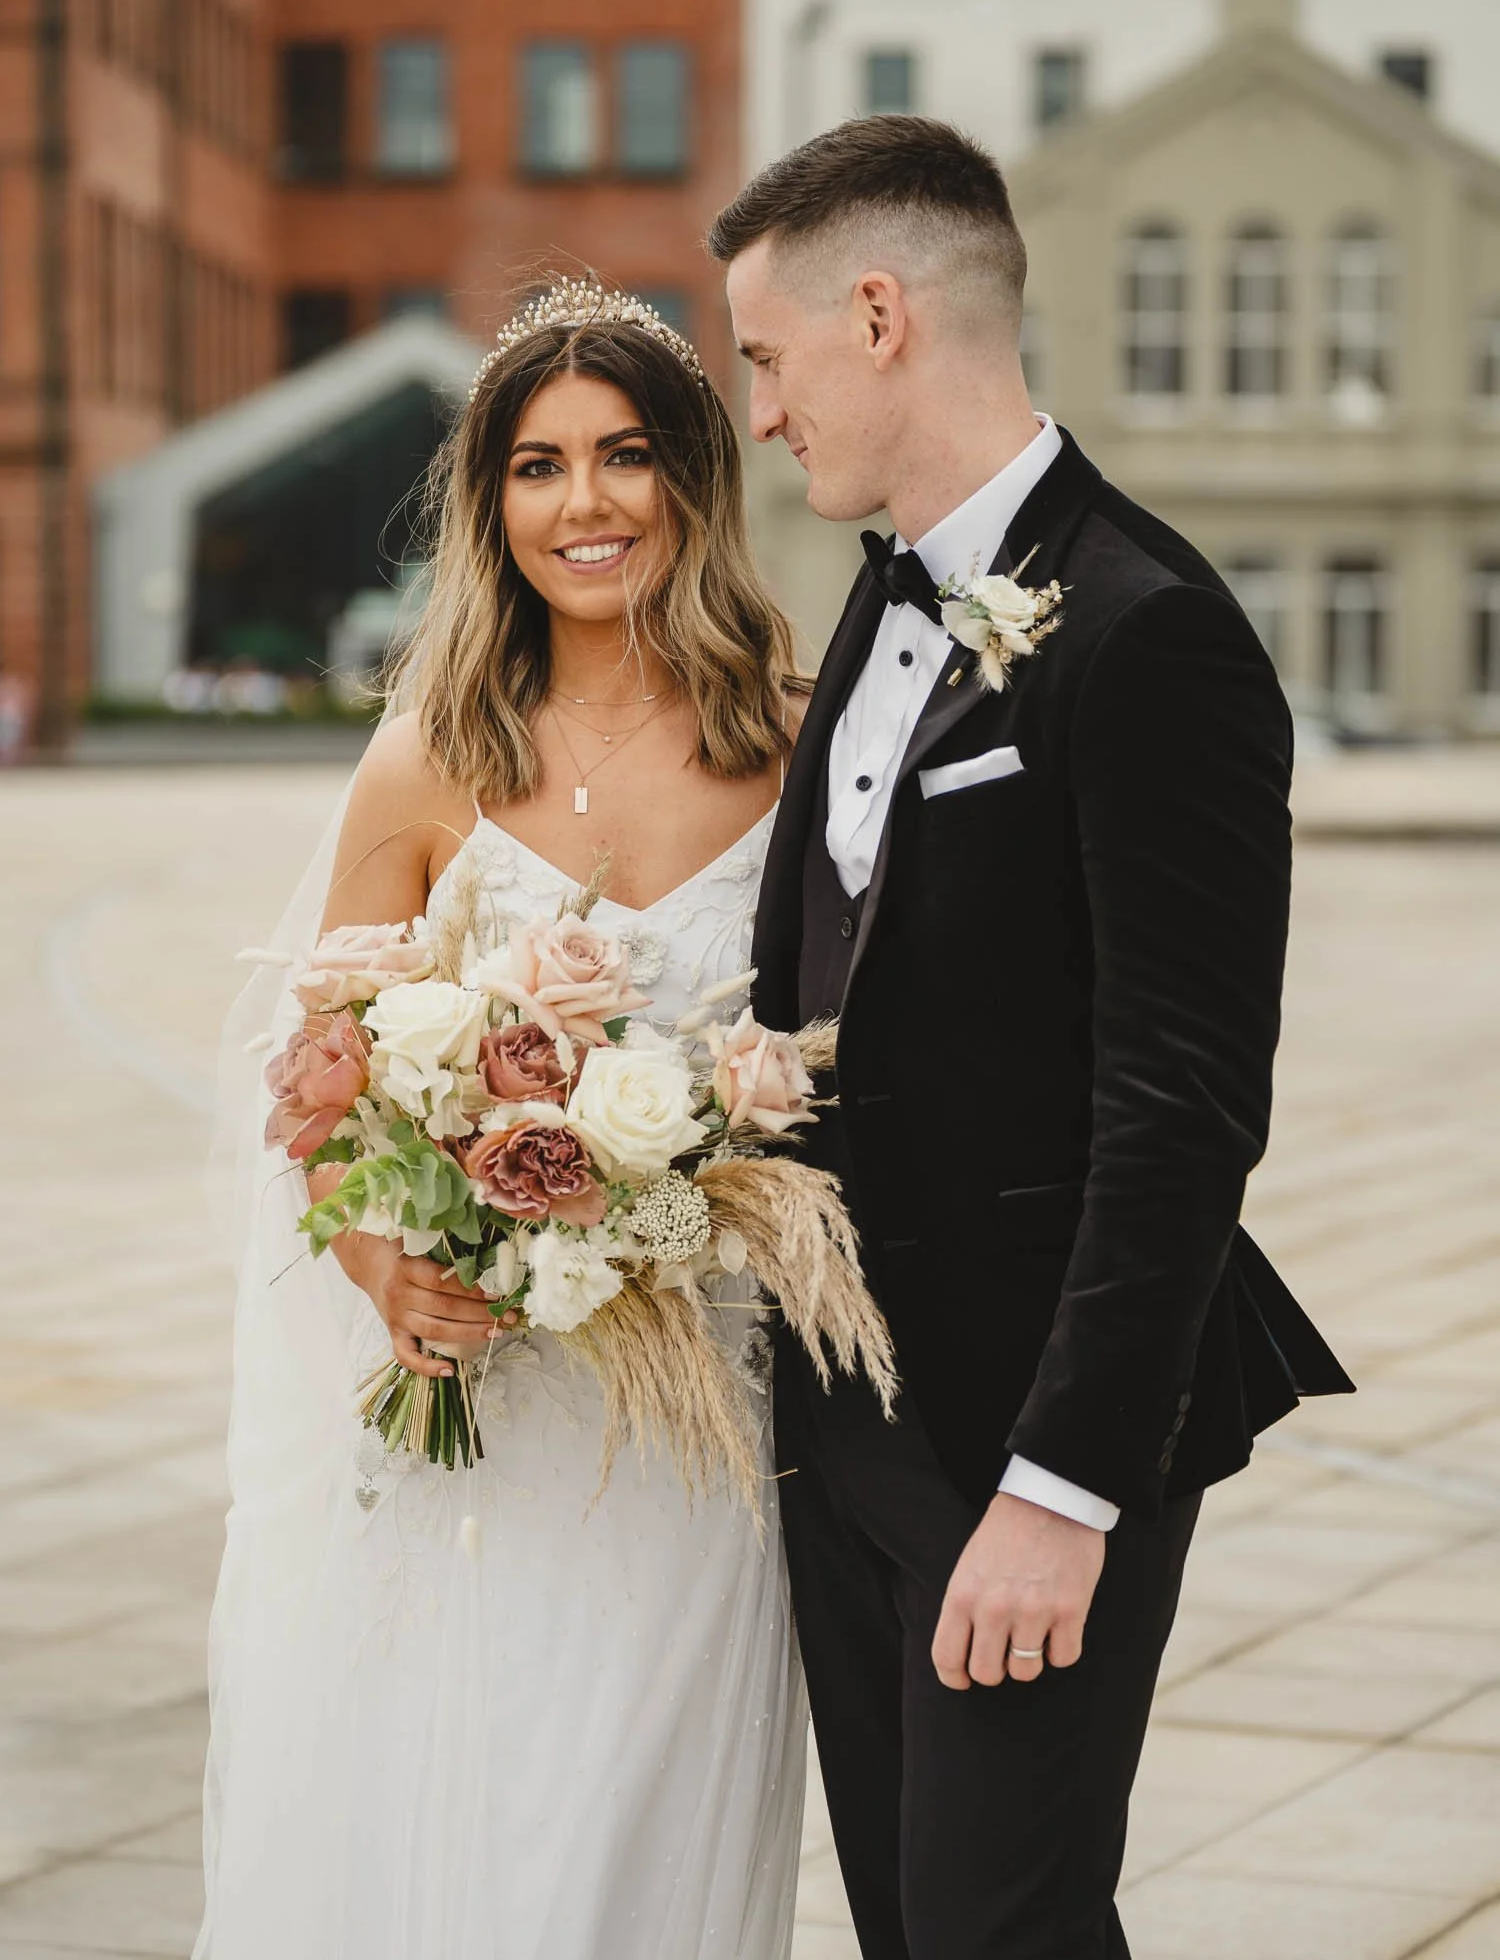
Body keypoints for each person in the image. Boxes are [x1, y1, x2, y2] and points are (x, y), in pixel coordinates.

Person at [710, 116, 1353, 1960]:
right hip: (843, 1416)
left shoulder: (1154, 634)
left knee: (1006, 1928)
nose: (762, 411)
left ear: (882, 315)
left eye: (769, 356)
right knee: (914, 1928)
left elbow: (1182, 1108)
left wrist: (1064, 1492)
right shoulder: (879, 589)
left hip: (1033, 1434)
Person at [197, 287, 809, 1960]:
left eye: (625, 455)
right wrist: (388, 1268)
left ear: (693, 479)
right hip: (485, 1401)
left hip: (696, 1417)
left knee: (645, 1821)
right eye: (538, 465)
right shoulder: (426, 758)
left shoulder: (790, 742)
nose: (584, 502)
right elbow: (317, 1078)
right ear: (490, 503)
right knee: (456, 1810)